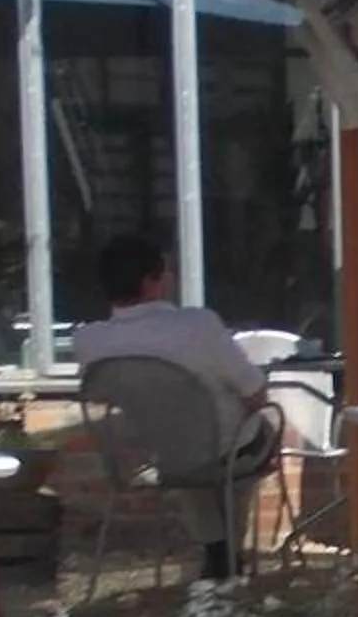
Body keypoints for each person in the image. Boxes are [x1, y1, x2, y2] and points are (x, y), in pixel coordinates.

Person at [76, 231, 279, 581]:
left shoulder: (89, 342)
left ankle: (216, 548)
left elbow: (103, 399)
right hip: (228, 450)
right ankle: (228, 550)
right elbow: (256, 393)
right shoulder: (197, 326)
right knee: (255, 434)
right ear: (152, 281)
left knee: (179, 446)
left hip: (160, 453)